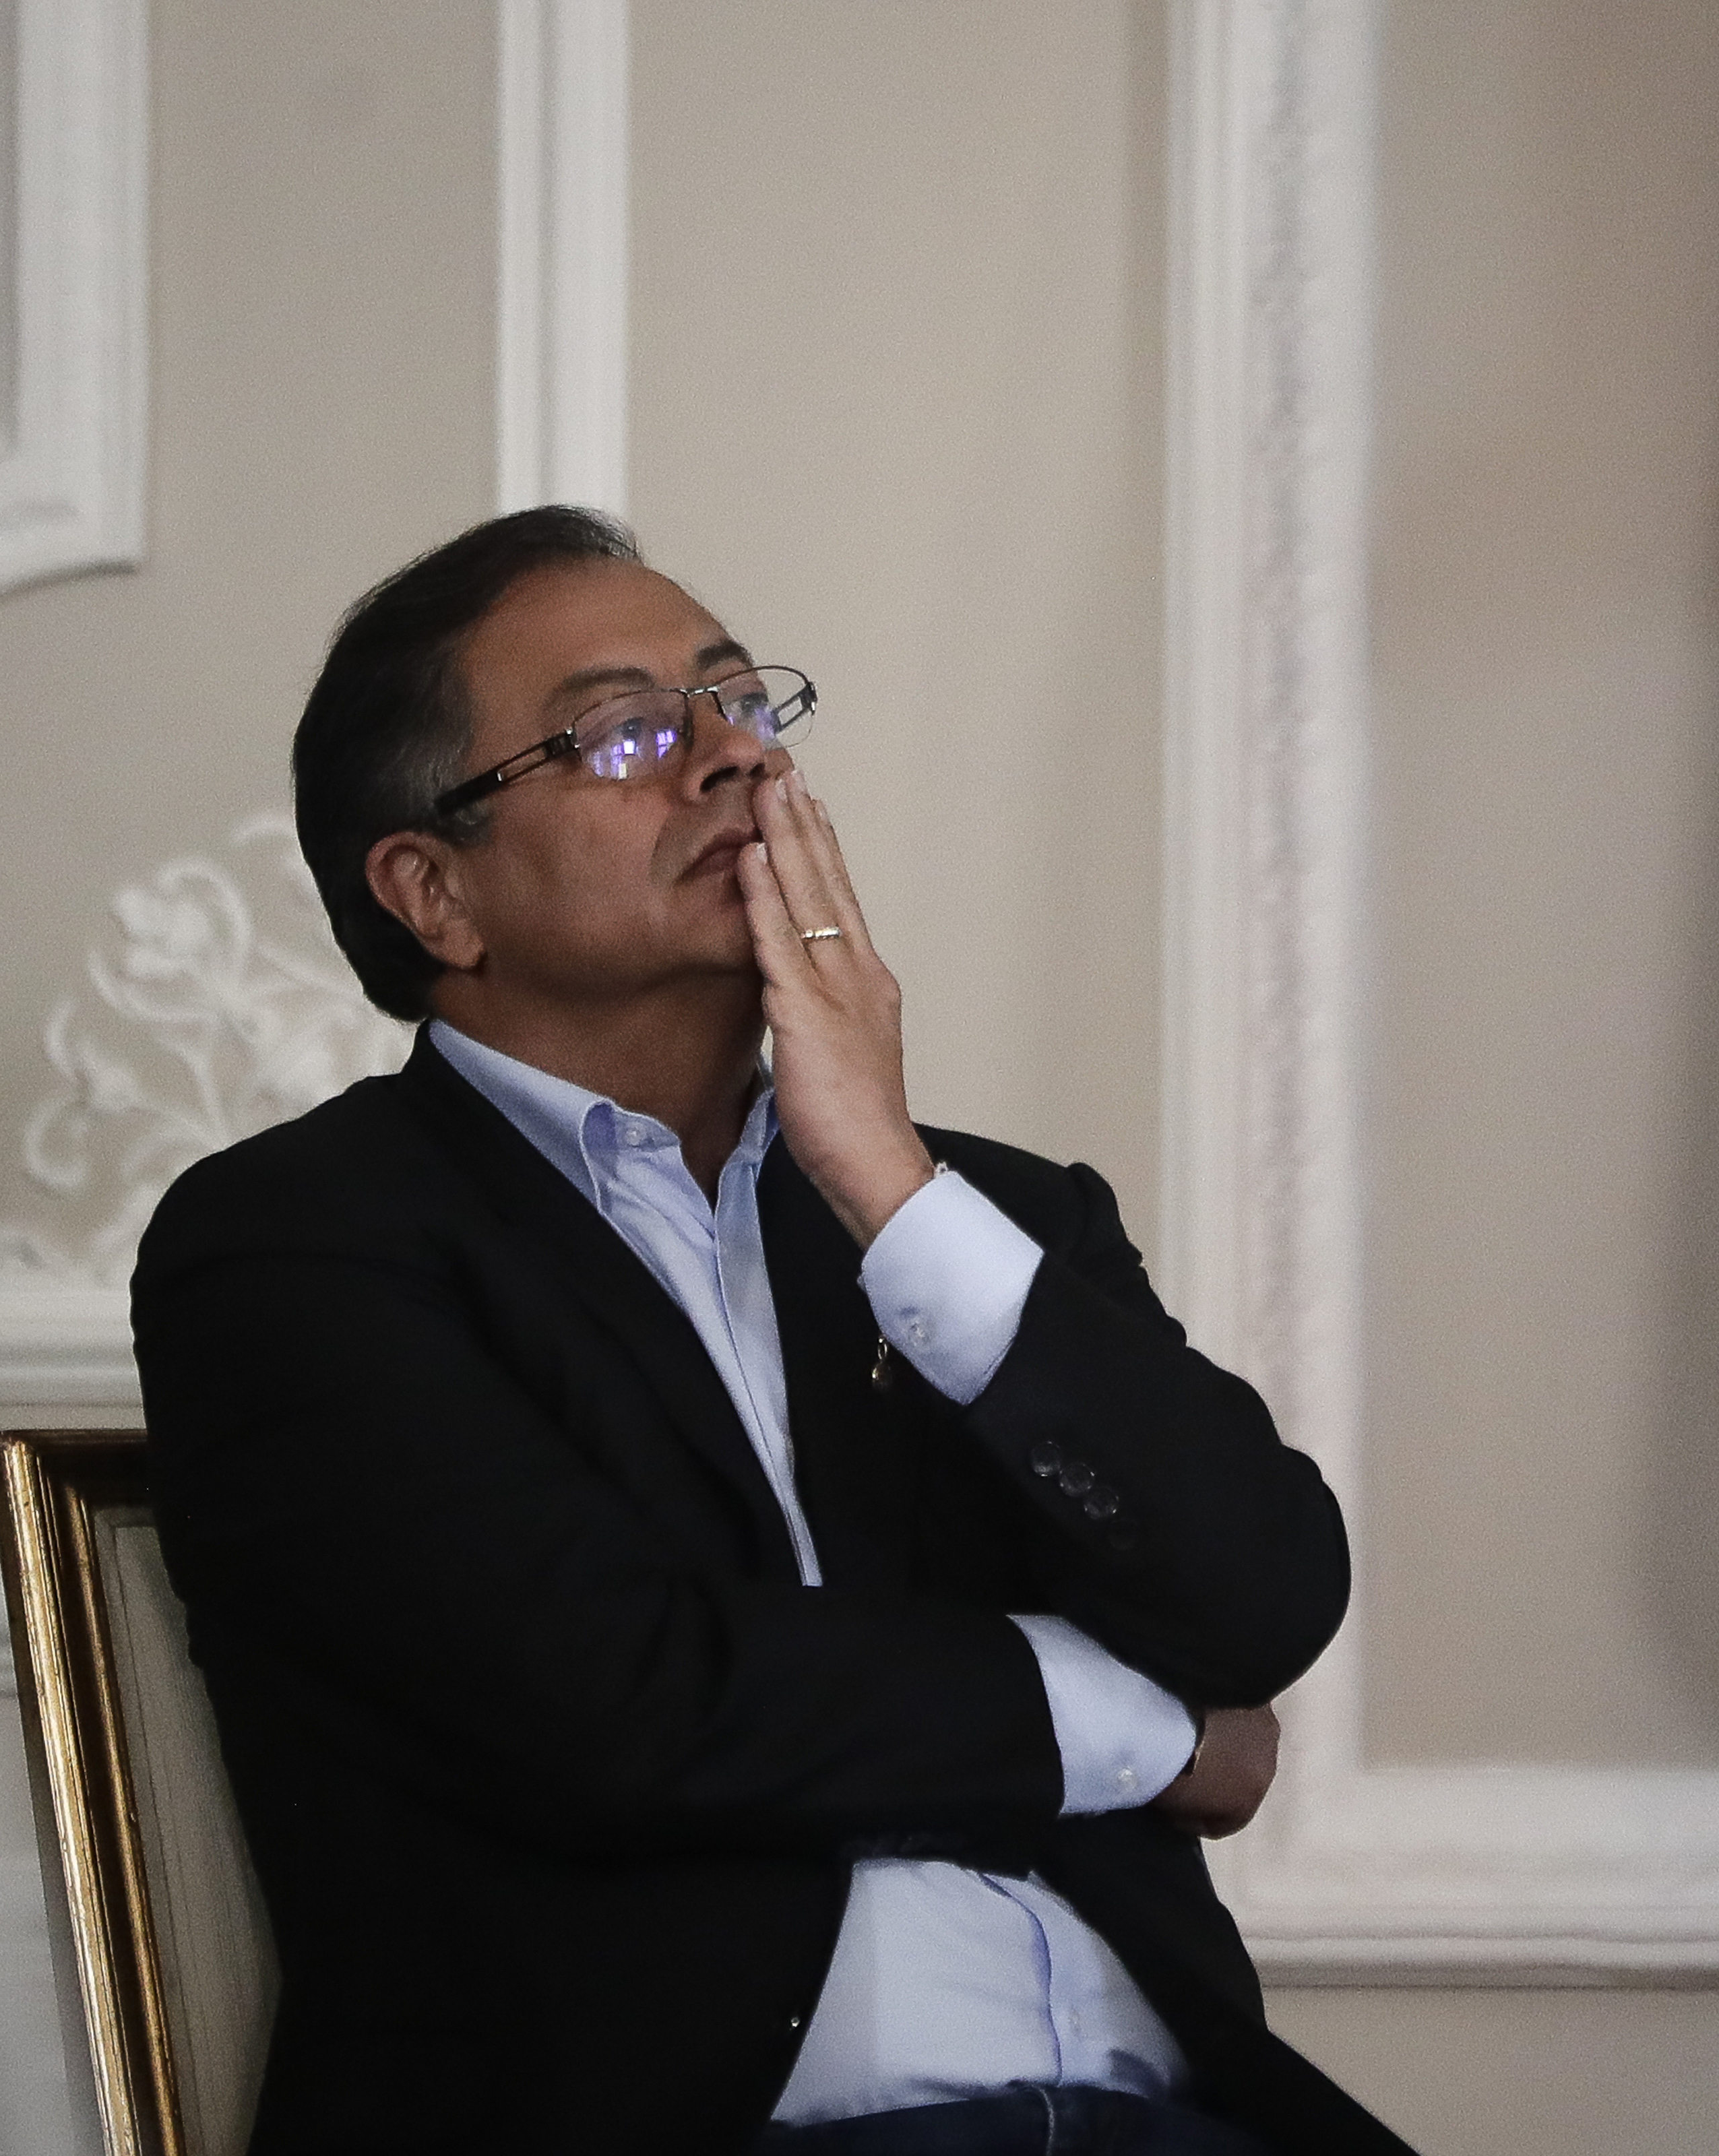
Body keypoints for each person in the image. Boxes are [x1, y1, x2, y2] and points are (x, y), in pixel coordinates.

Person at [132, 508, 1412, 2156]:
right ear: (434, 891)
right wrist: (1144, 1732)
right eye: (629, 731)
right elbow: (619, 1702)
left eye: (742, 702)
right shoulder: (301, 1248)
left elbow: (1266, 1590)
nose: (731, 756)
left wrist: (886, 1178)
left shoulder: (980, 1217)